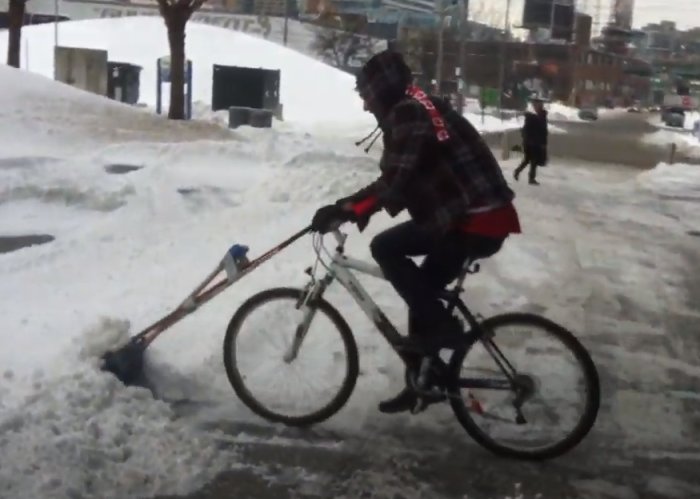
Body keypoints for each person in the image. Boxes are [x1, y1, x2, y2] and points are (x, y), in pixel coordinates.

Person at [309, 50, 521, 414]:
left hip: (475, 219)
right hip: (473, 215)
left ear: (383, 90)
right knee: (419, 291)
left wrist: (346, 209)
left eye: (366, 97)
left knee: (387, 249)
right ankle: (423, 380)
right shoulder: (415, 104)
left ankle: (438, 337)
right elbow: (406, 178)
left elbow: (396, 180)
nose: (365, 107)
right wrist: (357, 207)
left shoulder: (409, 112)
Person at [513, 96, 549, 185]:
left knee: (528, 160)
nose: (539, 106)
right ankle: (530, 178)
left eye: (540, 104)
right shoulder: (531, 117)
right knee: (533, 160)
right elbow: (527, 130)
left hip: (535, 142)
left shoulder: (542, 116)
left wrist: (543, 142)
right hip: (531, 142)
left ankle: (518, 172)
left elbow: (543, 130)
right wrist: (528, 139)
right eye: (537, 104)